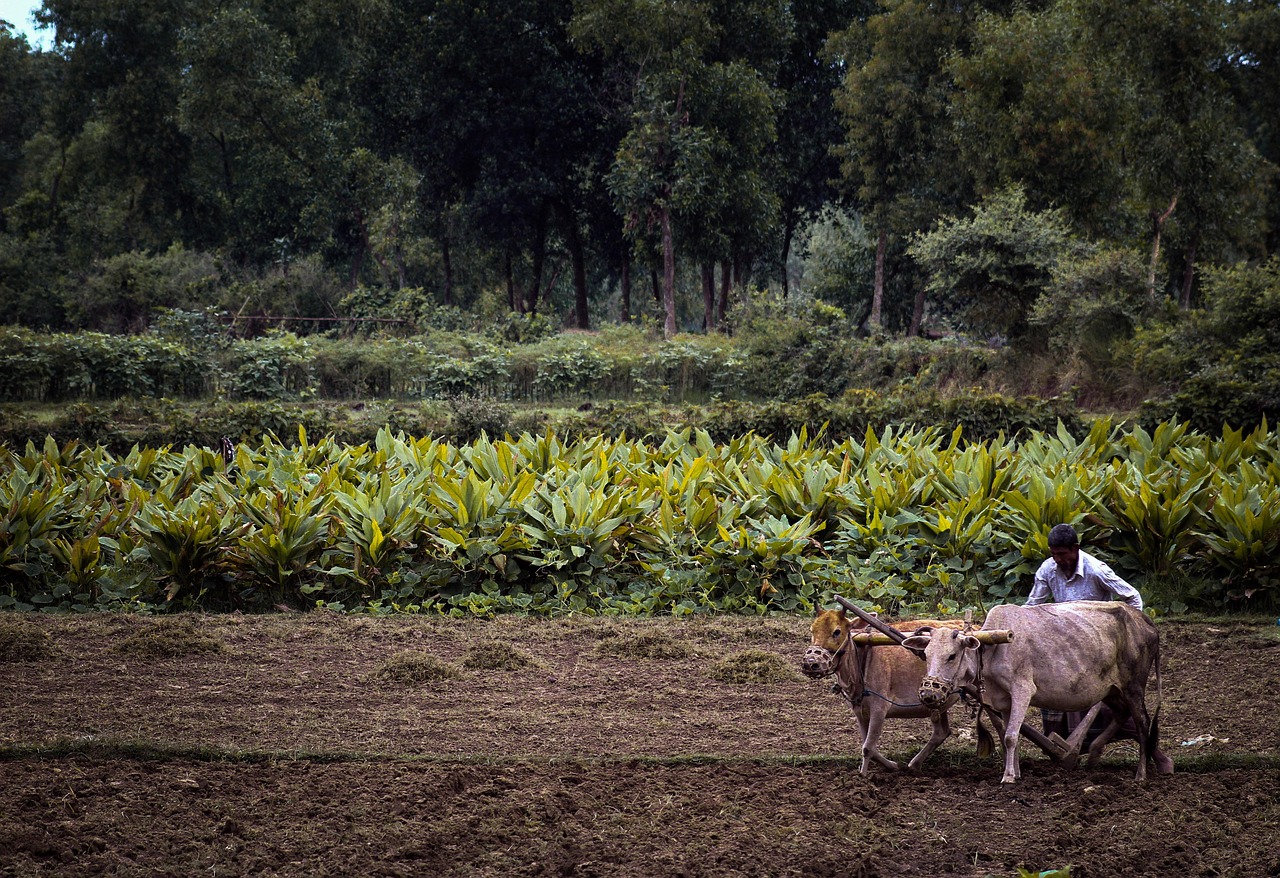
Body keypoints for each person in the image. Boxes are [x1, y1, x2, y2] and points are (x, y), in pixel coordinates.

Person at [1027, 524, 1144, 749]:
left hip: (1097, 644)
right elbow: (1032, 605)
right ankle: (1062, 746)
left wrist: (1129, 634)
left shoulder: (1096, 570)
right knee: (1053, 690)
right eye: (1053, 554)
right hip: (1064, 642)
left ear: (1075, 548)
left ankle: (1150, 750)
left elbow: (1132, 597)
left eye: (1062, 554)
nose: (1057, 559)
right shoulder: (1048, 569)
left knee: (1108, 699)